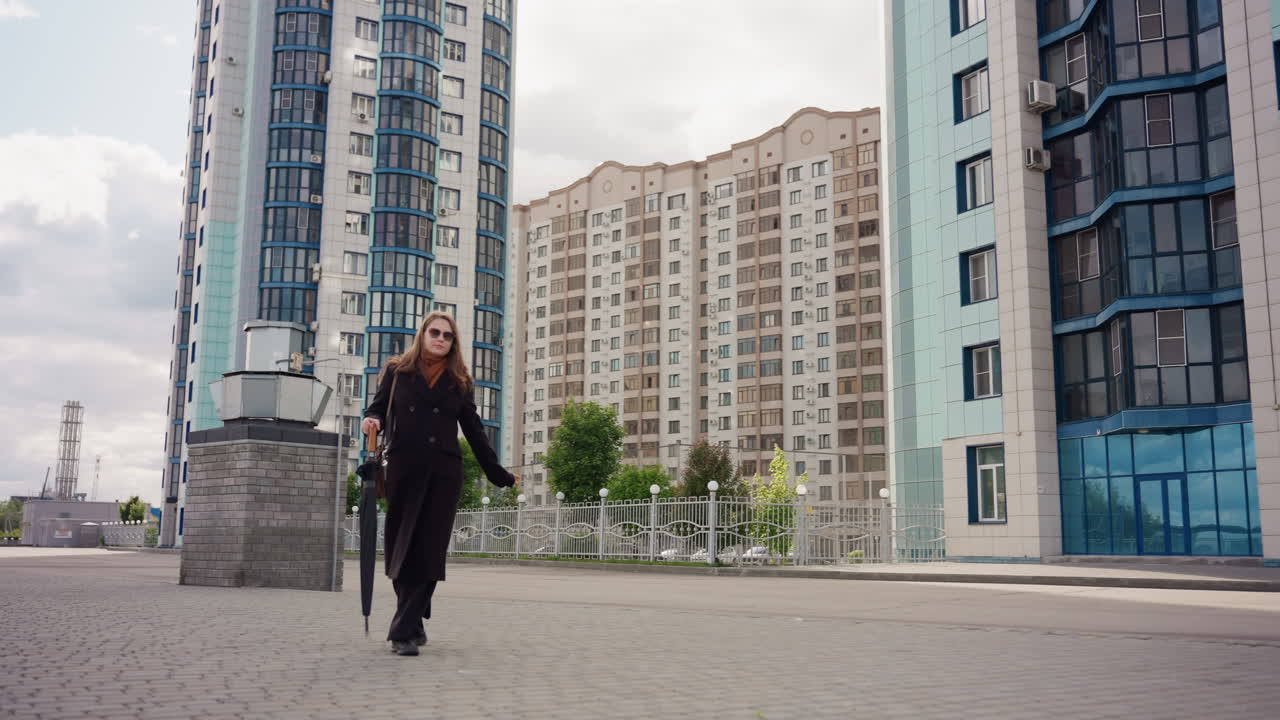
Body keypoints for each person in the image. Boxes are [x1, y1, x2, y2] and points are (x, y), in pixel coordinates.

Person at [361, 311, 517, 656]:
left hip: (444, 473)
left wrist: (499, 475)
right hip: (403, 469)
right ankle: (414, 620)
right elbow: (376, 410)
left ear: (453, 344)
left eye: (448, 336)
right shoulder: (396, 371)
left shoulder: (459, 380)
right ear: (423, 334)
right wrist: (370, 420)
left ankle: (401, 630)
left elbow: (475, 432)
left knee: (430, 551)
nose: (441, 339)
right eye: (435, 333)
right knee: (402, 547)